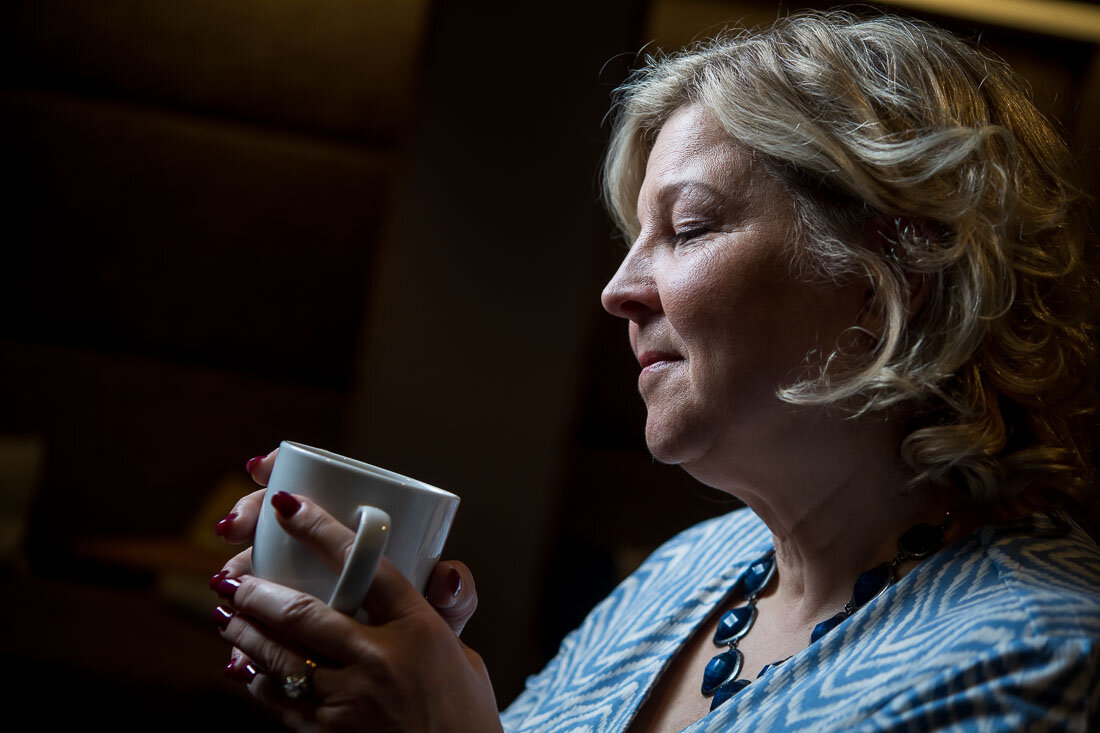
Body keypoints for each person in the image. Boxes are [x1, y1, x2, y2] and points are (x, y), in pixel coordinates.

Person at [210, 10, 1100, 731]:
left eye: (689, 228)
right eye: (636, 236)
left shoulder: (1041, 651)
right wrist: (403, 684)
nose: (618, 291)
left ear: (892, 276)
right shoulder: (696, 565)